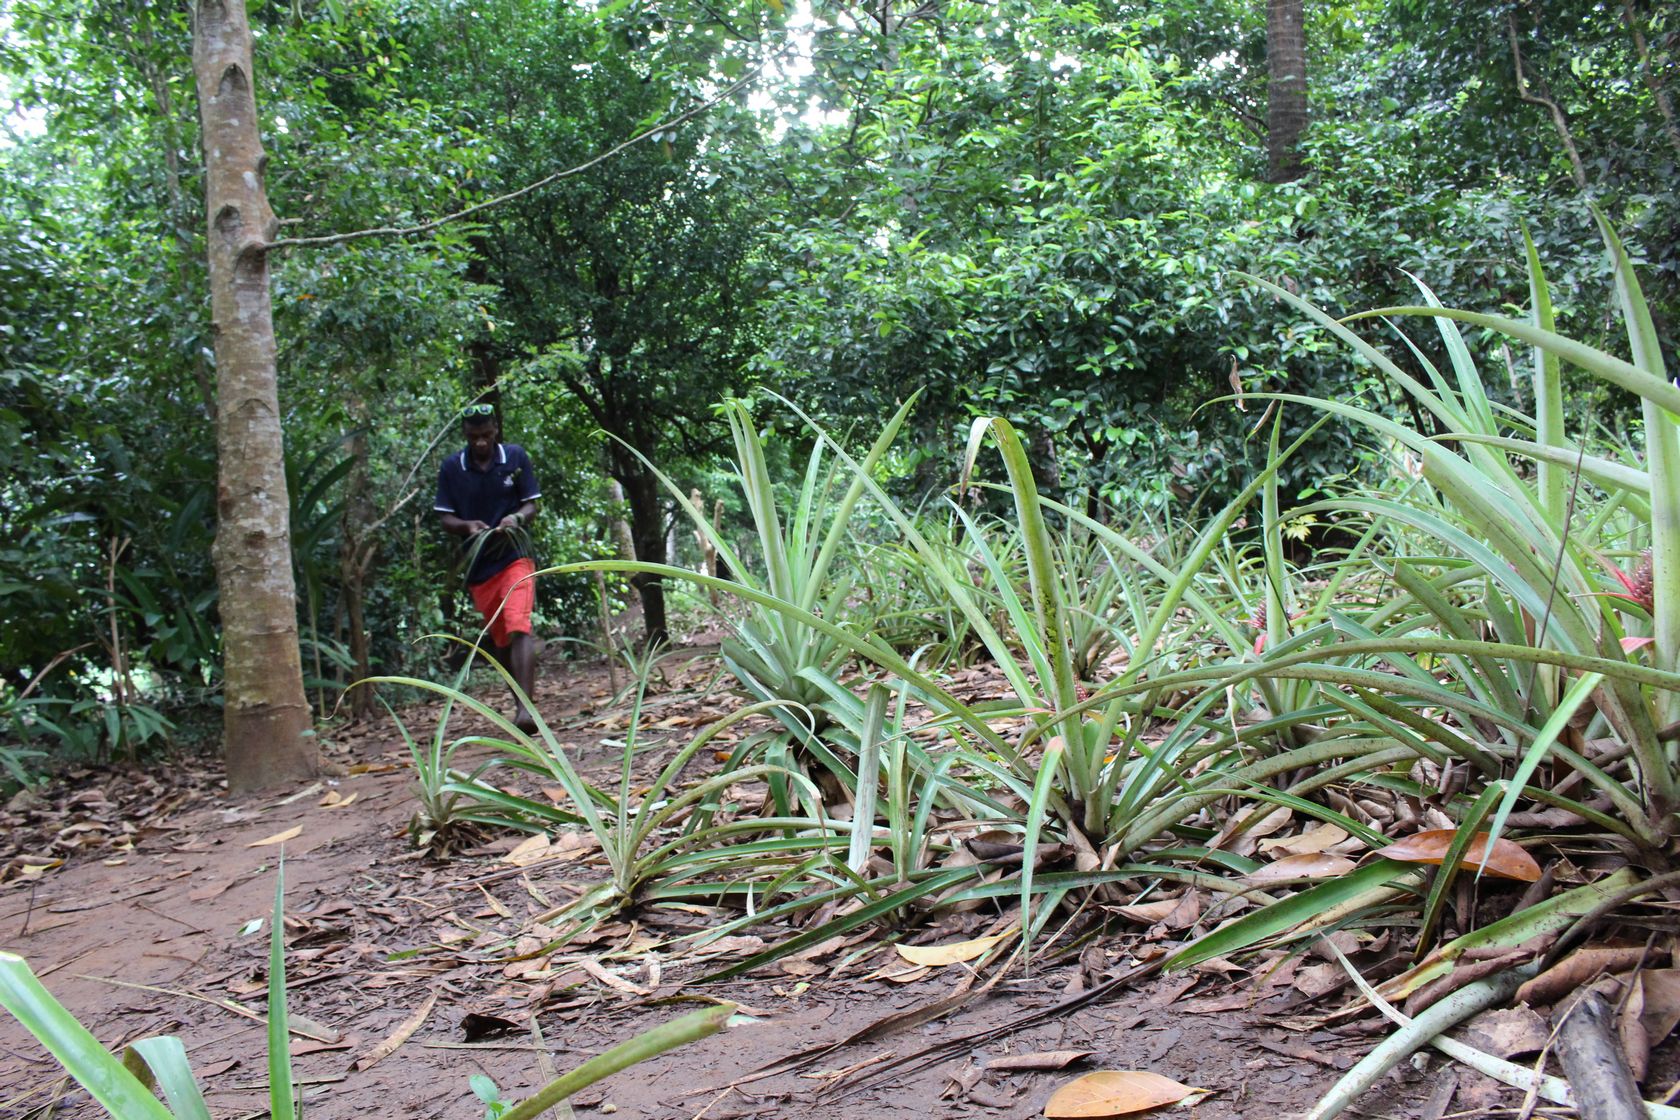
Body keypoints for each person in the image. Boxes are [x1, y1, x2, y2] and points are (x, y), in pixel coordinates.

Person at [434, 404, 541, 732]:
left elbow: (531, 504)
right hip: (480, 567)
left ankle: (526, 711)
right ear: (465, 435)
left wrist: (516, 518)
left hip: (515, 556)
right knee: (501, 639)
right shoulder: (452, 467)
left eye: (485, 435)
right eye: (473, 436)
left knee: (518, 624)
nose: (480, 442)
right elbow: (445, 517)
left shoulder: (515, 457)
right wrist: (467, 526)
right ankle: (519, 703)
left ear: (495, 430)